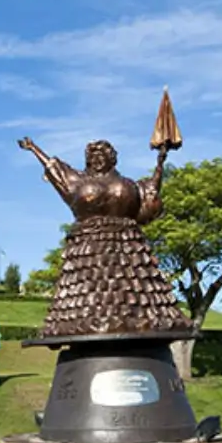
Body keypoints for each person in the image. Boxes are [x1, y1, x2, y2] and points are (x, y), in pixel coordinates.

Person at [17, 137, 193, 340]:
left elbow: (149, 197)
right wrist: (33, 149)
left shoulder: (127, 183)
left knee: (136, 294)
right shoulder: (79, 181)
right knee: (89, 297)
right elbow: (55, 169)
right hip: (89, 249)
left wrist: (160, 163)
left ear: (112, 159)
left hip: (127, 246)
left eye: (101, 156)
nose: (97, 161)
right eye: (92, 158)